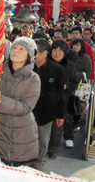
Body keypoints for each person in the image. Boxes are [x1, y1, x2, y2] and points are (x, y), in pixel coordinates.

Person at [0, 37, 40, 167]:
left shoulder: (33, 79)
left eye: (21, 49)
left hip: (22, 134)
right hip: (0, 129)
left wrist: (1, 100)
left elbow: (26, 107)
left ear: (29, 55)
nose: (16, 51)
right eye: (14, 47)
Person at [33, 39, 65, 167]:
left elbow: (60, 93)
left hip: (47, 112)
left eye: (36, 52)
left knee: (42, 139)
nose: (33, 55)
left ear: (45, 53)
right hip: (28, 109)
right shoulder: (28, 66)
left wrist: (60, 115)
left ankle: (39, 162)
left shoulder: (57, 69)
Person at [48, 40, 78, 152]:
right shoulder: (46, 63)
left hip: (63, 100)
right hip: (45, 99)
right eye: (54, 50)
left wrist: (66, 86)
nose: (57, 53)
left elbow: (75, 82)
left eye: (60, 51)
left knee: (58, 126)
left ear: (65, 53)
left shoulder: (69, 65)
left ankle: (53, 149)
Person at [71, 39, 92, 126]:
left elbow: (88, 73)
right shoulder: (70, 56)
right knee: (72, 103)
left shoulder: (85, 57)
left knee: (81, 103)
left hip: (81, 84)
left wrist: (76, 74)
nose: (75, 47)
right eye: (74, 45)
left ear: (82, 46)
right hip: (71, 83)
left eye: (78, 45)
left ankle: (81, 119)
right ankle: (73, 121)